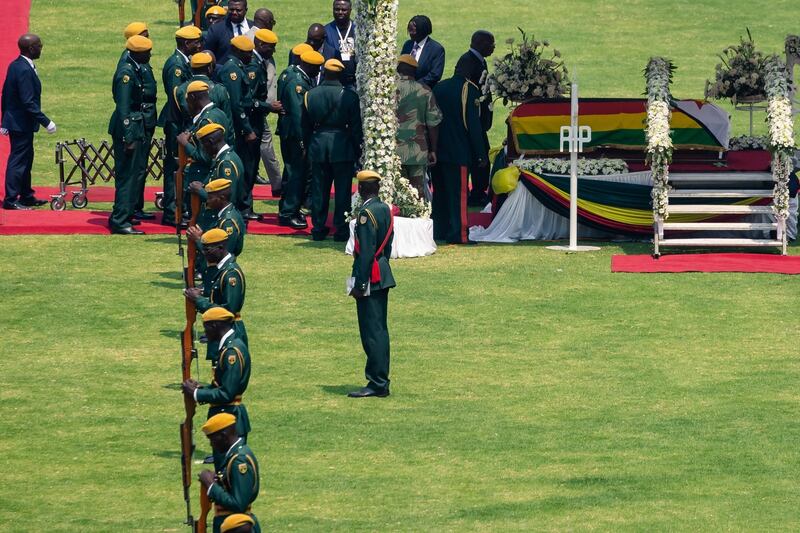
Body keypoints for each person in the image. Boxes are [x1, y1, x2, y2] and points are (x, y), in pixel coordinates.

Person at [183, 307, 252, 469]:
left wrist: (198, 394)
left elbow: (227, 392)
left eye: (206, 326)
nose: (205, 331)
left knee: (225, 474)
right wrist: (202, 388)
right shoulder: (229, 346)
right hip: (227, 416)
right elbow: (223, 386)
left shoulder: (231, 353)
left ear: (215, 326)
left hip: (228, 419)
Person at [348, 171, 395, 398]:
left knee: (372, 332)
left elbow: (366, 252)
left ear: (361, 188)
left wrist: (359, 283)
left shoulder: (366, 214)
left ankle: (377, 382)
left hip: (371, 276)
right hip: (382, 270)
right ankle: (380, 379)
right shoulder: (384, 208)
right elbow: (388, 242)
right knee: (380, 330)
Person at [303, 58, 362, 241]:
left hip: (318, 144)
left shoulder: (310, 95)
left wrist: (307, 146)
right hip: (342, 145)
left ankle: (318, 228)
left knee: (319, 190)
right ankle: (341, 229)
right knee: (343, 191)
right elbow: (355, 127)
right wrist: (357, 149)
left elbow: (304, 126)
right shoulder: (350, 96)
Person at [1, 33, 55, 210]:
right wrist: (46, 122)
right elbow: (27, 102)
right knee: (18, 161)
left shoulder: (17, 65)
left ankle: (26, 195)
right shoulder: (23, 69)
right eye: (39, 45)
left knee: (26, 158)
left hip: (16, 121)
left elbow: (6, 94)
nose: (41, 48)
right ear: (31, 48)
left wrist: (4, 121)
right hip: (20, 123)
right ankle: (10, 200)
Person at [431, 70, 485, 244]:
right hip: (459, 151)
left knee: (440, 195)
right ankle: (459, 234)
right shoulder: (468, 89)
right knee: (459, 196)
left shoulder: (439, 87)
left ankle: (440, 230)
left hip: (439, 150)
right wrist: (481, 153)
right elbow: (473, 124)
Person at [108, 35, 153, 235]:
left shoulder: (134, 67)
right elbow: (123, 107)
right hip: (129, 129)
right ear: (138, 53)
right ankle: (120, 220)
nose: (150, 55)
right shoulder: (126, 72)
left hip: (136, 126)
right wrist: (128, 136)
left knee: (132, 174)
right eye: (147, 52)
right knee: (127, 176)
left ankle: (124, 214)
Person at [158, 25, 203, 227]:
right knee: (176, 167)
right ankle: (172, 211)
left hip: (181, 122)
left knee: (181, 167)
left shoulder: (183, 62)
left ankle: (178, 208)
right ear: (187, 44)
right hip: (177, 123)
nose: (200, 45)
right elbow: (178, 97)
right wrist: (194, 115)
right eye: (197, 42)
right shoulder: (176, 65)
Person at [275, 49, 321, 229]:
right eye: (316, 68)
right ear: (308, 65)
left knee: (291, 172)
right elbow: (298, 115)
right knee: (297, 174)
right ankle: (288, 213)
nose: (318, 72)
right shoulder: (298, 83)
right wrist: (303, 142)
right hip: (295, 134)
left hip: (289, 132)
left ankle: (286, 208)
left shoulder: (289, 72)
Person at [184, 226, 248, 347]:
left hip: (229, 330)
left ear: (220, 248)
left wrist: (199, 300)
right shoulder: (221, 268)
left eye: (207, 250)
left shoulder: (230, 274)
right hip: (220, 330)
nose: (205, 254)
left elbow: (228, 310)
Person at [218, 36, 259, 219]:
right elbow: (236, 104)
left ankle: (243, 206)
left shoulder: (238, 66)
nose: (251, 56)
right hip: (236, 128)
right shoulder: (232, 70)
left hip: (240, 126)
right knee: (238, 168)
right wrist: (247, 129)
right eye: (247, 53)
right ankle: (236, 207)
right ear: (237, 51)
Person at [198, 413, 261, 533]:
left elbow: (239, 503)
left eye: (212, 439)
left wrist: (211, 486)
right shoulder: (233, 455)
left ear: (223, 435)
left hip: (236, 526)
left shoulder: (239, 460)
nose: (211, 444)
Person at [454, 31, 495, 206]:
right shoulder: (467, 61)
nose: (493, 47)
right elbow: (465, 92)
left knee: (481, 155)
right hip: (471, 122)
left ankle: (478, 191)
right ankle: (475, 193)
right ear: (480, 43)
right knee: (478, 157)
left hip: (477, 121)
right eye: (490, 43)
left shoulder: (478, 60)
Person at [395, 54, 441, 199]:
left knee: (396, 193)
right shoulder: (425, 91)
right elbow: (433, 123)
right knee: (417, 193)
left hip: (393, 151)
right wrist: (433, 150)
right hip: (418, 151)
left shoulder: (386, 90)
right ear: (415, 71)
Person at [244, 29, 281, 200]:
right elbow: (248, 100)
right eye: (271, 47)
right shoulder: (253, 65)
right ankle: (245, 205)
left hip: (256, 117)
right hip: (251, 120)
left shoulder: (257, 62)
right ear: (260, 45)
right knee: (249, 163)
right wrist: (269, 106)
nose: (273, 51)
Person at [174, 51, 233, 127]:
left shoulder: (180, 90)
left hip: (188, 136)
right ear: (209, 68)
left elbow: (176, 121)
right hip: (214, 136)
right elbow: (227, 121)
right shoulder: (220, 90)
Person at [400, 15, 445, 89]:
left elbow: (435, 75)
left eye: (413, 31)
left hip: (424, 92)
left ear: (423, 31)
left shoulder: (436, 49)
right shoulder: (408, 44)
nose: (410, 33)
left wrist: (415, 86)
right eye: (409, 30)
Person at [204, 0, 254, 65]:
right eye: (231, 9)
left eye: (238, 10)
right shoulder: (216, 30)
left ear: (246, 10)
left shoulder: (253, 27)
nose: (234, 12)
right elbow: (208, 54)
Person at [324, 0, 357, 86]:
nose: (340, 12)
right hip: (334, 82)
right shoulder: (326, 31)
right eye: (337, 9)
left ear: (350, 10)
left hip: (355, 81)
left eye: (344, 10)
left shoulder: (358, 30)